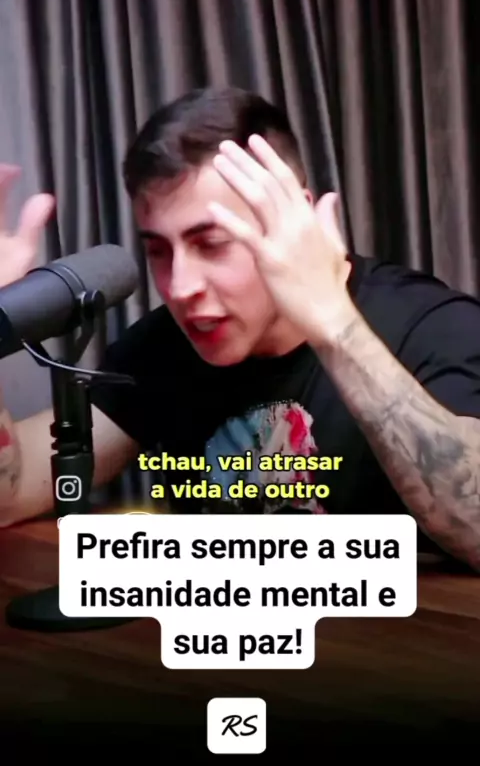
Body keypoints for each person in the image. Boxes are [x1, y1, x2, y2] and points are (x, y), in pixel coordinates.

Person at [0, 86, 480, 572]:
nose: (180, 286)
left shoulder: (432, 327)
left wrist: (334, 326)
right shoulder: (162, 347)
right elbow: (9, 494)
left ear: (293, 221)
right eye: (159, 251)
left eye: (211, 243)